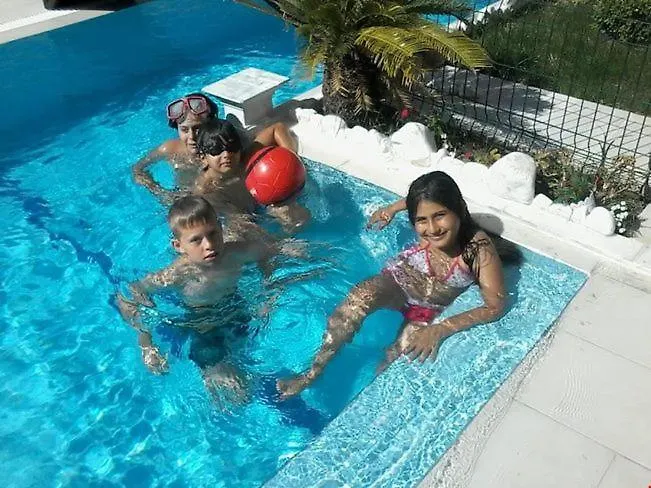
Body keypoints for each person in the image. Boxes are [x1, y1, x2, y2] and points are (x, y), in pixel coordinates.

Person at [277, 171, 508, 399]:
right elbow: (414, 201)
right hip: (398, 281)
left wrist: (440, 329)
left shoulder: (477, 249)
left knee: (395, 360)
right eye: (421, 220)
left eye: (440, 216)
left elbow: (495, 306)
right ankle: (312, 374)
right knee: (359, 297)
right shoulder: (425, 216)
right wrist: (391, 209)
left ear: (459, 208)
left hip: (427, 309)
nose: (432, 229)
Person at [116, 196, 281, 399]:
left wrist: (268, 292)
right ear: (178, 246)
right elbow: (132, 292)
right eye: (196, 240)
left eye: (213, 233)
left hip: (238, 310)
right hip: (202, 326)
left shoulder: (235, 253)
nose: (209, 244)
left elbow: (268, 252)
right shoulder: (178, 274)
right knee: (237, 394)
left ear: (220, 228)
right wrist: (145, 342)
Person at [193, 118, 310, 233]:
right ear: (203, 158)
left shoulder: (245, 160)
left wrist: (292, 160)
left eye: (232, 147)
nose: (226, 154)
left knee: (297, 219)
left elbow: (277, 128)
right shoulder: (206, 190)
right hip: (239, 216)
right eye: (216, 150)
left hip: (262, 203)